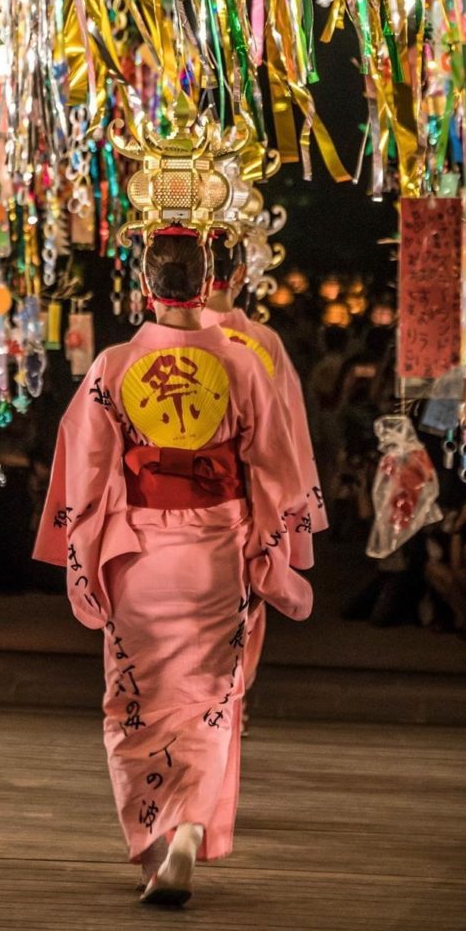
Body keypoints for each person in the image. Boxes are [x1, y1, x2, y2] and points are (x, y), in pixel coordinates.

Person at [34, 227, 313, 907]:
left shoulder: (114, 365)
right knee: (211, 701)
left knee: (135, 702)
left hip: (140, 559)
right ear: (208, 281)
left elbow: (87, 471)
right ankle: (189, 831)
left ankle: (154, 844)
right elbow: (278, 470)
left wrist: (85, 556)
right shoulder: (244, 363)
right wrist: (274, 549)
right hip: (216, 556)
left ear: (146, 286)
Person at [201, 232, 326, 697]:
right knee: (246, 604)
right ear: (238, 275)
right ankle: (231, 702)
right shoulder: (261, 341)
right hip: (249, 498)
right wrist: (292, 511)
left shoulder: (162, 340)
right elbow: (287, 435)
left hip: (170, 508)